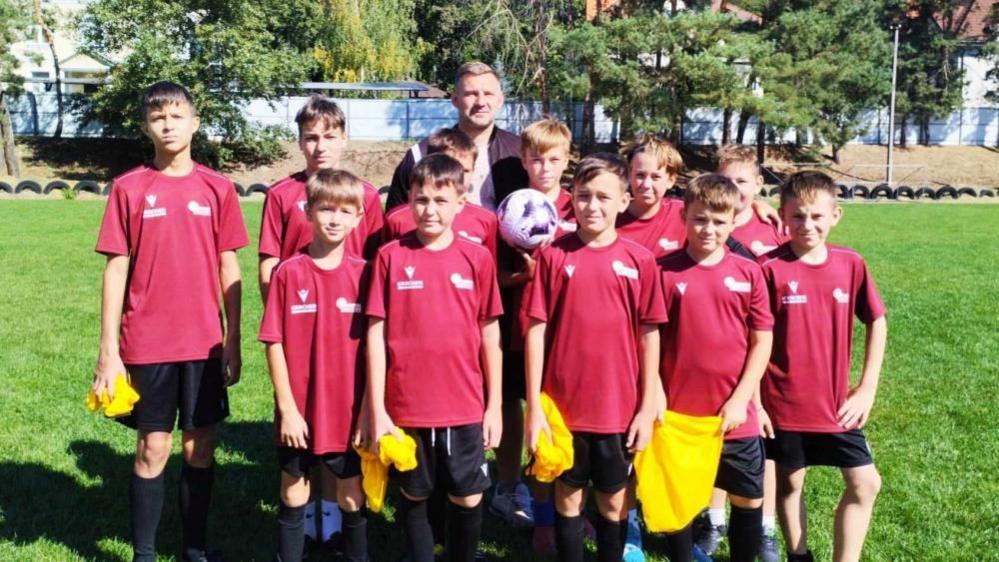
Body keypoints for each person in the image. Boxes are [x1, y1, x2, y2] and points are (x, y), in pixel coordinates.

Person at [93, 81, 248, 562]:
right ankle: (143, 553)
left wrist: (234, 340)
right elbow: (116, 268)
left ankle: (194, 550)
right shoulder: (129, 188)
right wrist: (108, 351)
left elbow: (230, 267)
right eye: (158, 117)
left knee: (199, 450)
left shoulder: (217, 188)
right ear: (146, 127)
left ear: (195, 124)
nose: (168, 124)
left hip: (204, 344)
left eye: (177, 115)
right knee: (152, 448)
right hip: (148, 343)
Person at [257, 95, 384, 549]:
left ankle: (329, 523)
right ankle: (305, 528)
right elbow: (268, 265)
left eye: (329, 136)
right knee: (295, 476)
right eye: (311, 137)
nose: (320, 145)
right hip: (301, 333)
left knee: (344, 471)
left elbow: (378, 269)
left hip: (347, 344)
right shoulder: (281, 196)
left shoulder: (366, 196)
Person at [525, 153, 665, 562]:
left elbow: (650, 334)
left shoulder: (639, 261)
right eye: (584, 196)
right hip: (564, 410)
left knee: (613, 503)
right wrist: (535, 407)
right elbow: (536, 331)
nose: (593, 206)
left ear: (624, 201)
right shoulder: (554, 257)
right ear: (572, 198)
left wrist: (645, 406)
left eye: (604, 196)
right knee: (568, 500)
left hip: (617, 410)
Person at [366, 154, 504, 562]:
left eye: (441, 201)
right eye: (421, 199)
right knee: (414, 492)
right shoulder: (390, 257)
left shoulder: (477, 258)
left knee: (468, 495)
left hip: (464, 404)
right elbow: (375, 333)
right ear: (408, 201)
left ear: (461, 203)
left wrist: (494, 405)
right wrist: (378, 408)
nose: (430, 209)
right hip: (407, 404)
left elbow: (489, 331)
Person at [761, 171, 887, 562]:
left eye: (816, 216)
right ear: (783, 216)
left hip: (836, 406)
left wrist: (866, 388)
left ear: (836, 214)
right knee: (789, 483)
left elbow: (877, 321)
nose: (807, 225)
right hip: (782, 404)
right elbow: (754, 339)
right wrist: (756, 402)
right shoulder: (768, 269)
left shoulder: (851, 264)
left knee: (865, 483)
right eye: (797, 216)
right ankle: (799, 556)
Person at [656, 174, 774, 562]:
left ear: (732, 220)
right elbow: (649, 339)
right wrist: (655, 391)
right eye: (699, 219)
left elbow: (762, 340)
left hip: (735, 413)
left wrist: (742, 399)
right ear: (684, 218)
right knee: (682, 495)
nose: (708, 229)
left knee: (747, 495)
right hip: (679, 414)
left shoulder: (748, 272)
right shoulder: (663, 272)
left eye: (719, 222)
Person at [494, 116, 575, 553]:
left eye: (554, 159)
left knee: (554, 414)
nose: (545, 167)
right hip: (514, 326)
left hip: (561, 334)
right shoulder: (509, 208)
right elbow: (490, 274)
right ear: (524, 160)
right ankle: (510, 486)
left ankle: (560, 499)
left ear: (567, 161)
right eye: (536, 158)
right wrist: (518, 278)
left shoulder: (578, 207)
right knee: (511, 405)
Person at [386, 61, 528, 211]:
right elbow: (396, 219)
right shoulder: (421, 154)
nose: (481, 102)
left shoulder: (521, 153)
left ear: (500, 100)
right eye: (470, 94)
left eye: (488, 94)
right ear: (455, 100)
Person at [383, 128, 498, 257]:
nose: (458, 176)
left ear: (473, 170)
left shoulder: (486, 219)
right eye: (450, 169)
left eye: (465, 171)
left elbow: (488, 270)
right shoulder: (397, 219)